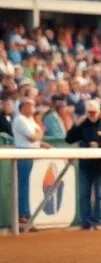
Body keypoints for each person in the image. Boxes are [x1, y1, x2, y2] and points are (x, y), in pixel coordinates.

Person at [65, 98, 101, 231]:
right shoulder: (82, 125)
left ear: (98, 112)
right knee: (84, 195)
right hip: (85, 166)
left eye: (94, 112)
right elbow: (69, 140)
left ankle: (98, 220)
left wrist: (99, 145)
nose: (92, 115)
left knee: (100, 195)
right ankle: (86, 222)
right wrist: (75, 125)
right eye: (89, 112)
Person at [12, 98, 51, 232]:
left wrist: (40, 143)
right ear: (23, 107)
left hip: (29, 153)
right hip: (23, 154)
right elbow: (32, 136)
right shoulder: (20, 119)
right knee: (23, 186)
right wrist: (39, 134)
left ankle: (26, 217)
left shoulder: (30, 120)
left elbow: (36, 137)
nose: (33, 108)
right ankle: (22, 217)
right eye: (31, 105)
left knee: (26, 186)